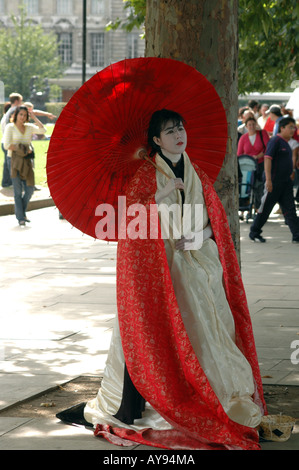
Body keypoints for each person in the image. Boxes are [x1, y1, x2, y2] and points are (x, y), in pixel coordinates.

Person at [57, 109, 266, 450]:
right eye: (170, 131)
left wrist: (198, 239)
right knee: (151, 332)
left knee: (211, 331)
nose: (178, 135)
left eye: (180, 128)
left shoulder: (196, 170)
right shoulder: (144, 176)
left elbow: (217, 221)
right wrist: (161, 194)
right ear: (156, 140)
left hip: (201, 267)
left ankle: (214, 392)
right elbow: (132, 227)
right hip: (162, 271)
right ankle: (152, 399)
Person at [249, 116, 299, 243]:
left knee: (290, 209)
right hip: (274, 182)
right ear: (282, 128)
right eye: (290, 127)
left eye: (294, 127)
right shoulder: (275, 141)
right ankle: (254, 232)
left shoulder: (286, 143)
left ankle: (297, 235)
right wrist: (269, 180)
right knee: (265, 208)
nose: (293, 130)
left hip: (285, 182)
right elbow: (267, 158)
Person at [3, 105, 46, 225]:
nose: (22, 117)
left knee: (30, 188)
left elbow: (43, 131)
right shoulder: (10, 127)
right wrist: (23, 148)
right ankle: (21, 217)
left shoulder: (29, 127)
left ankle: (21, 212)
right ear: (16, 115)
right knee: (17, 191)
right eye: (20, 114)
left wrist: (35, 118)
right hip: (13, 161)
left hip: (27, 161)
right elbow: (7, 145)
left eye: (25, 115)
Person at [237, 116, 270, 211]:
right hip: (247, 166)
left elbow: (268, 148)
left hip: (261, 164)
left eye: (253, 124)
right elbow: (239, 154)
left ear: (256, 124)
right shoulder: (243, 138)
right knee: (246, 185)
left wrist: (260, 155)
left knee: (259, 186)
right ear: (246, 126)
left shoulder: (262, 133)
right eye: (249, 125)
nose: (251, 126)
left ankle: (258, 207)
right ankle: (245, 206)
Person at [1, 102, 12, 187]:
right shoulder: (7, 118)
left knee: (7, 164)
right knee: (8, 164)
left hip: (4, 142)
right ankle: (6, 182)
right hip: (7, 142)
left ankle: (6, 182)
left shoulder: (4, 117)